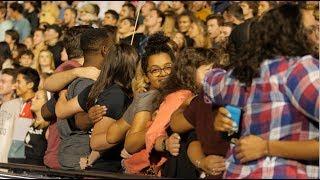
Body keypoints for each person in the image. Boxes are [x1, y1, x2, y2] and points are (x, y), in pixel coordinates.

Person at [203, 4, 319, 178]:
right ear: (292, 34)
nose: (318, 36)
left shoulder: (247, 72)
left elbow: (209, 80)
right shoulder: (301, 69)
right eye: (312, 30)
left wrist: (266, 146)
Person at [55, 43, 138, 172]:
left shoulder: (97, 87)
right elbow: (96, 142)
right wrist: (127, 125)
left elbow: (61, 110)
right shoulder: (116, 95)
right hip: (107, 168)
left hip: (92, 164)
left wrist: (62, 95)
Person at [7, 67, 40, 164]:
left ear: (30, 84)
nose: (14, 85)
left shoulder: (36, 106)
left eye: (18, 82)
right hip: (16, 160)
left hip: (26, 163)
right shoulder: (24, 104)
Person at [24, 90, 49, 166]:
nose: (32, 99)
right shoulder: (32, 122)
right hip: (26, 168)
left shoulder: (49, 127)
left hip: (38, 170)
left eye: (37, 98)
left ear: (46, 103)